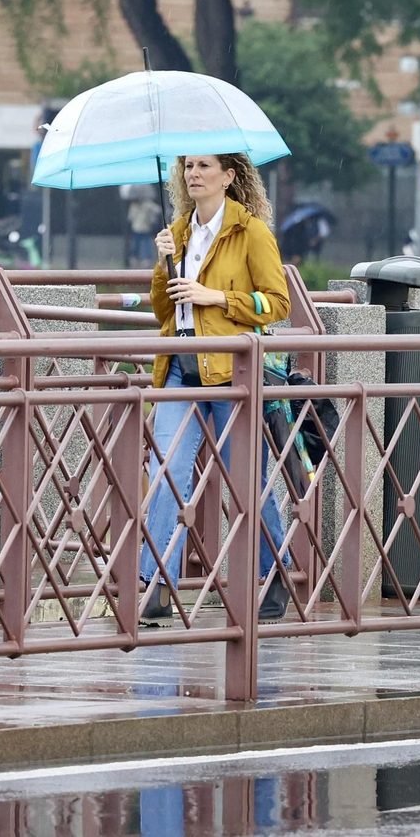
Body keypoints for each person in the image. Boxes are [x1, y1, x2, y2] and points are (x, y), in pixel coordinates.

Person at [143, 153, 293, 621]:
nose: (193, 175)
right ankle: (157, 584)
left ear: (229, 177)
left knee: (247, 481)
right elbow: (163, 312)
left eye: (205, 167)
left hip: (233, 375)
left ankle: (275, 574)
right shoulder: (180, 233)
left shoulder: (251, 233)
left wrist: (217, 298)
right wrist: (162, 261)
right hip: (179, 369)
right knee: (165, 471)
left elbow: (278, 303)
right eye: (188, 167)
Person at [127, 189, 162, 268]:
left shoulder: (148, 204)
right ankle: (134, 259)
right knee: (136, 244)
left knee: (146, 245)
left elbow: (158, 210)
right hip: (136, 228)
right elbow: (131, 217)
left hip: (145, 227)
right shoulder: (134, 206)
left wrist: (149, 213)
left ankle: (146, 259)